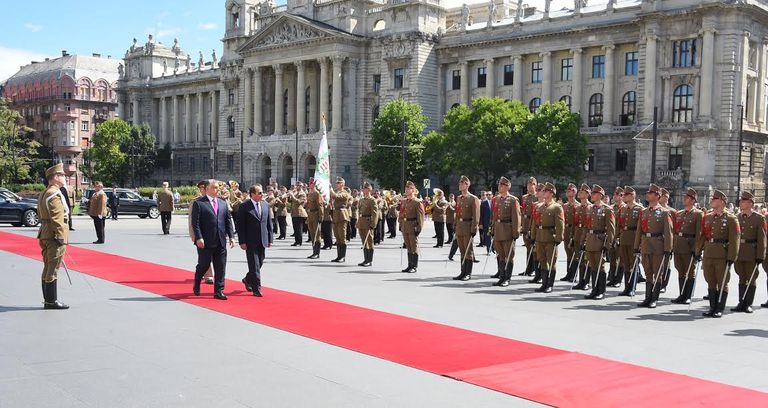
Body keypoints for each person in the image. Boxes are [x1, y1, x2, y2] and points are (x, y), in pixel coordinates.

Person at [695, 189, 740, 317]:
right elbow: (703, 236)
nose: (711, 201)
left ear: (721, 201)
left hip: (722, 254)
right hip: (709, 252)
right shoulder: (708, 217)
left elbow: (734, 239)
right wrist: (698, 251)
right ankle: (712, 307)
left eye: (714, 199)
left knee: (722, 281)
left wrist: (732, 257)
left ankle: (719, 308)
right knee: (710, 280)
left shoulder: (731, 218)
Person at [190, 179, 235, 300]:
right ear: (207, 189)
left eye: (218, 187)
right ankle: (197, 281)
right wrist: (199, 237)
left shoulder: (222, 203)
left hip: (220, 240)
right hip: (205, 241)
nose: (217, 189)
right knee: (204, 265)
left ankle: (218, 291)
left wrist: (231, 236)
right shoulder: (199, 203)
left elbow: (228, 221)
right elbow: (196, 223)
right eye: (214, 187)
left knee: (220, 266)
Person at [633, 184, 673, 308]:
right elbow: (639, 230)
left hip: (658, 245)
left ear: (657, 196)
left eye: (650, 193)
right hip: (646, 243)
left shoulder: (664, 212)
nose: (647, 195)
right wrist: (636, 246)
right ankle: (647, 297)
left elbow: (668, 232)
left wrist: (668, 249)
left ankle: (654, 299)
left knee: (657, 272)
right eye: (648, 193)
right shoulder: (643, 212)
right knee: (648, 272)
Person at [37, 163, 70, 310]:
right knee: (53, 268)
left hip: (45, 233)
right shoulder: (54, 194)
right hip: (53, 235)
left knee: (47, 266)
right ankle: (51, 301)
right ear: (55, 178)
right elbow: (57, 218)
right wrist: (60, 236)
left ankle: (48, 299)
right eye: (62, 175)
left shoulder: (45, 192)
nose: (65, 177)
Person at [731, 191, 765, 313]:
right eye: (741, 201)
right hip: (740, 251)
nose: (741, 203)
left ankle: (748, 304)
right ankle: (741, 302)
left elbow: (762, 238)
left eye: (744, 201)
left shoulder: (758, 218)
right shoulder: (737, 217)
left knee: (751, 278)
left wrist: (760, 255)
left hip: (751, 251)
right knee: (741, 277)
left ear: (750, 203)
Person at [237, 184, 273, 297]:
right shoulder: (244, 206)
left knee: (260, 262)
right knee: (254, 265)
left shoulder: (266, 205)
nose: (262, 194)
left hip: (262, 239)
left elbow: (269, 224)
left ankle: (247, 279)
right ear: (252, 194)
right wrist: (242, 241)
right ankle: (256, 288)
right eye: (260, 193)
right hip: (250, 241)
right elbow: (240, 226)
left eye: (262, 192)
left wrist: (270, 239)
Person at [580, 185, 616, 300]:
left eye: (595, 193)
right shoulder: (590, 208)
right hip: (590, 239)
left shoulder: (607, 209)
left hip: (600, 240)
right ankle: (594, 289)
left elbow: (611, 229)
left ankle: (601, 291)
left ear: (600, 195)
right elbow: (586, 226)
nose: (592, 195)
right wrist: (582, 240)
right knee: (592, 266)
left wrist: (608, 244)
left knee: (600, 266)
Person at [670, 188, 702, 304]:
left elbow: (699, 234)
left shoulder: (698, 214)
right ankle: (682, 294)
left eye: (687, 197)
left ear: (693, 200)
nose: (684, 199)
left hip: (689, 246)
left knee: (690, 271)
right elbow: (674, 231)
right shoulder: (679, 214)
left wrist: (696, 249)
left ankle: (688, 295)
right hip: (679, 245)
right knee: (680, 270)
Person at [534, 183, 564, 293]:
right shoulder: (539, 206)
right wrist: (534, 236)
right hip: (540, 236)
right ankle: (544, 283)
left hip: (550, 237)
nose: (543, 192)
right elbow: (535, 222)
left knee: (551, 261)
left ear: (551, 193)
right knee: (542, 260)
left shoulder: (556, 207)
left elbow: (560, 224)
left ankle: (550, 285)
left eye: (546, 191)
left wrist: (558, 238)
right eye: (543, 190)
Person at [492, 177, 521, 286]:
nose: (500, 186)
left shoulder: (513, 200)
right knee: (500, 255)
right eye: (499, 184)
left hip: (508, 230)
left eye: (502, 184)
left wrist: (515, 233)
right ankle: (502, 276)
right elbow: (495, 216)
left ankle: (507, 278)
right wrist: (493, 229)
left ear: (507, 186)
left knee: (509, 255)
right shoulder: (497, 199)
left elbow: (516, 218)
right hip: (498, 229)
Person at [617, 186, 644, 296]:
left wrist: (640, 243)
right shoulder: (622, 209)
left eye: (626, 195)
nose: (623, 197)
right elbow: (619, 225)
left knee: (633, 264)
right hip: (624, 238)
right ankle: (627, 288)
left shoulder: (639, 209)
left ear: (632, 196)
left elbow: (641, 227)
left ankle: (632, 287)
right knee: (625, 264)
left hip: (633, 238)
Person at [453, 175, 480, 281]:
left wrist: (474, 228)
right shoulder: (459, 198)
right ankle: (462, 271)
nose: (459, 185)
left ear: (467, 185)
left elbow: (476, 215)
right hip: (460, 226)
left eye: (462, 183)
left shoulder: (473, 199)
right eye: (459, 183)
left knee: (468, 251)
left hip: (468, 226)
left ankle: (468, 273)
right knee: (462, 250)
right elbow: (458, 213)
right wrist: (455, 225)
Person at [400, 181, 425, 273]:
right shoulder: (404, 202)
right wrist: (400, 225)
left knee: (413, 247)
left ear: (413, 190)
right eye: (406, 188)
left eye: (409, 188)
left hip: (412, 226)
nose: (406, 190)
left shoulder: (417, 202)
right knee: (408, 246)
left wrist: (419, 229)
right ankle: (409, 265)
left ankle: (414, 266)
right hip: (405, 226)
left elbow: (421, 217)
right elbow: (401, 214)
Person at [572, 183, 593, 290]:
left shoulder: (590, 207)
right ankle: (581, 280)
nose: (580, 193)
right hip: (578, 233)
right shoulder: (578, 207)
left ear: (587, 194)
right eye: (580, 191)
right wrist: (572, 236)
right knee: (579, 257)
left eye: (582, 192)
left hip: (586, 234)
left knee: (586, 259)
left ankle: (586, 281)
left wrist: (585, 238)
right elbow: (574, 223)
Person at [356, 182, 379, 267]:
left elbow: (375, 213)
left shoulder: (372, 200)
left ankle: (369, 260)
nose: (364, 190)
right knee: (364, 242)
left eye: (365, 188)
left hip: (368, 221)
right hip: (362, 221)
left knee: (369, 241)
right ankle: (365, 259)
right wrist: (358, 222)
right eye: (363, 188)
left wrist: (373, 224)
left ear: (369, 190)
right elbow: (359, 211)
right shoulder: (361, 199)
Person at [329, 177, 352, 262]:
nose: (337, 184)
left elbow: (337, 197)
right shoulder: (336, 191)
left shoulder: (345, 193)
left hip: (342, 215)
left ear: (342, 184)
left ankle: (342, 256)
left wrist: (330, 189)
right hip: (336, 215)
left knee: (342, 236)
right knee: (337, 236)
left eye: (339, 183)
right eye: (337, 183)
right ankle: (339, 256)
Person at [607, 187, 625, 287]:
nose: (615, 196)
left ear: (622, 196)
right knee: (612, 258)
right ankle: (612, 278)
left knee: (621, 259)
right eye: (614, 194)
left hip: (621, 236)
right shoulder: (611, 208)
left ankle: (618, 279)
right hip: (611, 236)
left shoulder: (624, 208)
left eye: (617, 194)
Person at [520, 177, 538, 276]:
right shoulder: (524, 197)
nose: (530, 185)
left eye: (532, 183)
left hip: (533, 223)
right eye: (529, 183)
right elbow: (523, 212)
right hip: (526, 223)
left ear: (535, 185)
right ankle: (528, 268)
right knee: (527, 247)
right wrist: (522, 225)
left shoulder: (537, 197)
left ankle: (534, 269)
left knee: (533, 248)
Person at [560, 184, 578, 282]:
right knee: (568, 253)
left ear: (574, 192)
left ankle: (573, 275)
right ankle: (569, 273)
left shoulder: (578, 206)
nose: (568, 191)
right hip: (566, 231)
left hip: (574, 231)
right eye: (567, 190)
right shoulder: (565, 206)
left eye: (570, 190)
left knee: (574, 254)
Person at [305, 179, 324, 259]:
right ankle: (314, 251)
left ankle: (317, 253)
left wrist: (321, 217)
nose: (310, 185)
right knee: (312, 234)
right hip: (310, 215)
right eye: (309, 183)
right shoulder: (309, 193)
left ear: (314, 185)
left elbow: (320, 206)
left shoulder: (317, 194)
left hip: (316, 215)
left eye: (311, 183)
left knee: (317, 234)